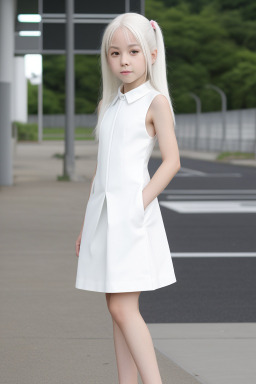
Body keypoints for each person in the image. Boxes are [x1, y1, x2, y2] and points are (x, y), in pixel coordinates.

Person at [75, 12, 181, 384]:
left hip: (132, 218)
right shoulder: (109, 105)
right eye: (115, 53)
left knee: (122, 307)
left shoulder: (155, 103)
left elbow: (172, 161)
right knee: (116, 308)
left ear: (151, 54)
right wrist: (88, 225)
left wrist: (138, 204)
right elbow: (101, 171)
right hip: (105, 218)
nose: (124, 61)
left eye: (133, 51)